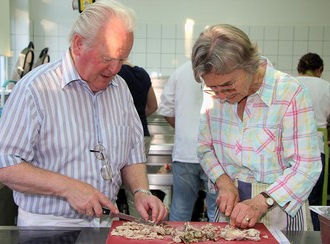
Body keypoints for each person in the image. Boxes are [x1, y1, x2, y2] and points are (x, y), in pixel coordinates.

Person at [0, 0, 167, 227]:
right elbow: (2, 164)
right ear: (79, 44)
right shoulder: (35, 89)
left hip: (103, 225)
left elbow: (132, 153)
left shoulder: (120, 89)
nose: (115, 69)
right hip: (48, 227)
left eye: (122, 59)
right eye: (108, 58)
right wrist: (68, 187)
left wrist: (141, 191)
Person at [191, 24, 322, 231]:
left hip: (279, 209)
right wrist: (223, 182)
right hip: (229, 209)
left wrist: (262, 202)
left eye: (228, 85)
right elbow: (205, 148)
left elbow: (306, 166)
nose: (222, 95)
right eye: (213, 88)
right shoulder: (214, 95)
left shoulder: (290, 93)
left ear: (249, 65)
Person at [158, 60, 219, 222]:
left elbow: (165, 109)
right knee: (217, 210)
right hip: (216, 155)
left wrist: (184, 129)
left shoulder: (181, 71)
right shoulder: (222, 70)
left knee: (180, 209)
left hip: (185, 152)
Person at [117, 60, 158, 217]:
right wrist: (136, 121)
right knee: (137, 191)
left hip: (119, 135)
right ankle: (139, 228)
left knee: (112, 186)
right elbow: (153, 105)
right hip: (143, 134)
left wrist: (128, 122)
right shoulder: (142, 74)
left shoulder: (115, 74)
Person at [296, 52, 330, 230]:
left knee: (293, 196)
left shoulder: (289, 82)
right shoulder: (326, 87)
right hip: (316, 148)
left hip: (290, 149)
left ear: (299, 68)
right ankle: (316, 236)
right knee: (314, 198)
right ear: (319, 70)